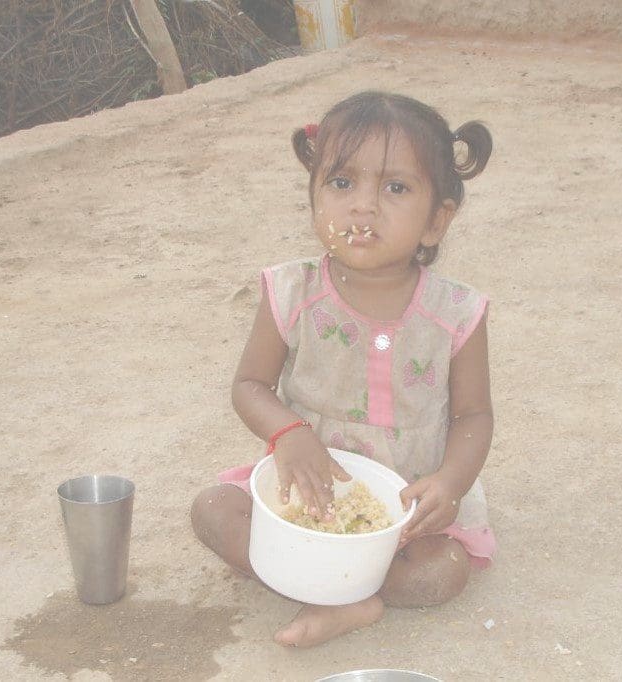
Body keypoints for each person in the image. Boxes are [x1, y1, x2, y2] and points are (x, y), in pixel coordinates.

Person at [191, 90, 495, 648]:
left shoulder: (456, 314)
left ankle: (351, 598)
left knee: (442, 569)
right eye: (341, 183)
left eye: (395, 188)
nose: (363, 206)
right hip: (305, 493)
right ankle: (334, 588)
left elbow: (474, 415)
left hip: (401, 514)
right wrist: (288, 433)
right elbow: (249, 385)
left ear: (436, 221)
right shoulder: (292, 292)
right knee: (213, 509)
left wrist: (450, 485)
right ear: (313, 199)